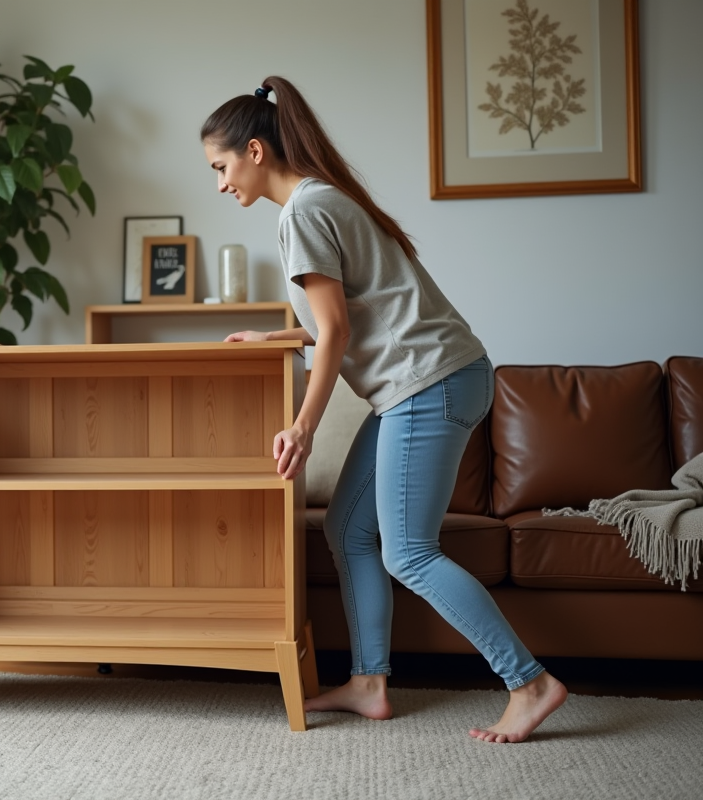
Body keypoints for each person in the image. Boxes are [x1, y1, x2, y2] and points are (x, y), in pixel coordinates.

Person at [202, 76, 567, 743]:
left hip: (428, 384)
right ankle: (369, 684)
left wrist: (303, 427)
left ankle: (530, 681)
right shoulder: (323, 198)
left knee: (410, 554)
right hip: (429, 381)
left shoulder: (302, 212)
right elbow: (361, 315)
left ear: (254, 150)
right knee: (347, 530)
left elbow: (339, 332)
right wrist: (281, 336)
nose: (220, 184)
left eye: (221, 168)